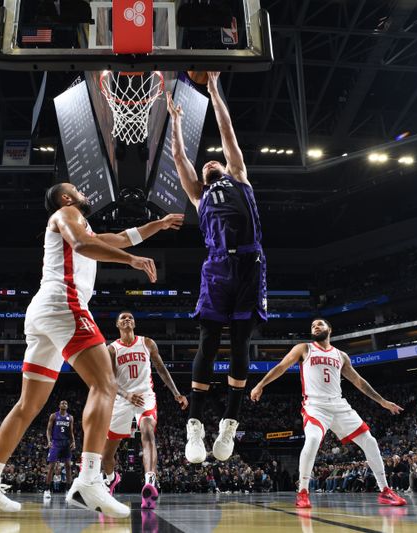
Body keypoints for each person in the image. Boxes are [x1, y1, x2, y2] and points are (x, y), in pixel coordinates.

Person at [0, 183, 183, 518]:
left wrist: (160, 224)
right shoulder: (66, 214)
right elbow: (84, 245)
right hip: (63, 302)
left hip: (44, 312)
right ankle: (88, 479)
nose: (82, 192)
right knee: (106, 384)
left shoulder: (84, 226)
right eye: (76, 189)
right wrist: (131, 261)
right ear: (66, 199)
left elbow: (123, 236)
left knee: (27, 405)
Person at [166, 72, 267, 464]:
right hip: (217, 268)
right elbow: (177, 157)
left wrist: (213, 90)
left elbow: (227, 132)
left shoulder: (239, 177)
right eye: (205, 161)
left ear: (226, 167)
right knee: (208, 342)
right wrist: (175, 123)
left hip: (250, 264)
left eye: (215, 160)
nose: (210, 160)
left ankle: (229, 423)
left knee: (239, 343)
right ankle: (194, 425)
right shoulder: (198, 194)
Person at [249, 318, 407, 509]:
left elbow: (358, 381)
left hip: (339, 405)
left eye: (319, 324)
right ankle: (303, 492)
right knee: (313, 439)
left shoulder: (341, 356)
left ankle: (385, 491)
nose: (315, 327)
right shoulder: (304, 348)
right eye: (312, 326)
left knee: (370, 441)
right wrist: (260, 384)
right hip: (315, 405)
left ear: (329, 329)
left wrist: (382, 401)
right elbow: (281, 367)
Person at [101, 311, 188, 509]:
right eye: (122, 318)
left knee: (148, 433)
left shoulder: (147, 343)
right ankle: (110, 478)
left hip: (145, 396)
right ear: (117, 325)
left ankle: (150, 481)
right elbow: (109, 380)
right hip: (122, 399)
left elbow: (161, 368)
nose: (127, 319)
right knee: (107, 455)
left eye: (130, 317)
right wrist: (126, 395)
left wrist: (176, 393)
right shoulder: (112, 349)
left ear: (134, 323)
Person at [43, 400, 75, 500]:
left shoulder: (70, 417)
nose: (64, 404)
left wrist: (73, 441)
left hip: (66, 443)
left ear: (67, 406)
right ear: (59, 405)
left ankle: (68, 490)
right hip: (56, 442)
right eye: (62, 403)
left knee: (68, 466)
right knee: (51, 466)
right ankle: (47, 490)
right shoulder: (54, 416)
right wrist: (49, 441)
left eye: (66, 403)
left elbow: (71, 431)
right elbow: (48, 430)